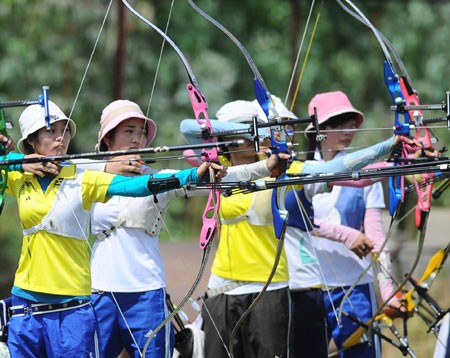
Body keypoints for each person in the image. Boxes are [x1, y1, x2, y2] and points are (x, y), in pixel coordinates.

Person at [180, 96, 415, 358]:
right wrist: (235, 130)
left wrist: (391, 148)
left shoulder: (285, 170)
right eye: (246, 130)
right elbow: (188, 132)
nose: (252, 138)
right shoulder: (219, 170)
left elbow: (341, 170)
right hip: (223, 287)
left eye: (254, 130)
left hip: (269, 290)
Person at [3, 100, 216, 357]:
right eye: (51, 131)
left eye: (65, 130)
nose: (61, 138)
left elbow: (135, 186)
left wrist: (191, 176)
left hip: (71, 305)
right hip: (26, 302)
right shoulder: (17, 177)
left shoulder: (82, 177)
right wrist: (17, 160)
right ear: (32, 141)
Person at [305, 90, 399, 358]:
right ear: (320, 131)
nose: (347, 131)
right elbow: (296, 218)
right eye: (337, 124)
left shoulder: (364, 175)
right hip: (310, 287)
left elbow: (376, 237)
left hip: (356, 287)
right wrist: (344, 234)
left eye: (350, 124)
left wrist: (388, 292)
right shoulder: (299, 171)